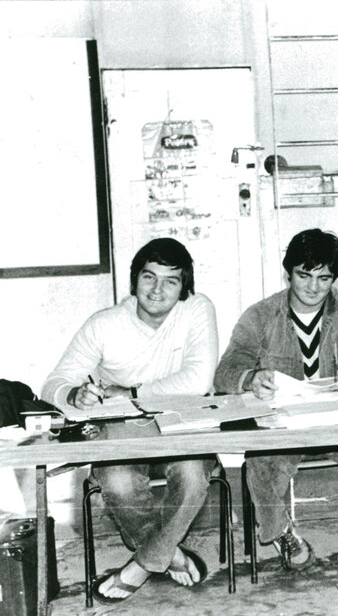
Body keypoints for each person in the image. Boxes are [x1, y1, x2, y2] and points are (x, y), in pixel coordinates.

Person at [41, 238, 219, 603]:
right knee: (118, 479)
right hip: (122, 427)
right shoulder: (105, 324)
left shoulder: (197, 309)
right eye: (149, 277)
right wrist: (74, 395)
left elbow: (198, 381)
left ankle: (141, 565)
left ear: (184, 286)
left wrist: (132, 392)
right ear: (134, 280)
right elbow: (52, 384)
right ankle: (169, 553)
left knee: (192, 474)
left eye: (170, 281)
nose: (157, 290)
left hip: (181, 421)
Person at [214, 229, 338, 571]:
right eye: (304, 276)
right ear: (288, 273)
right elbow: (224, 373)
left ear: (334, 278)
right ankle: (281, 532)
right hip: (284, 427)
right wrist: (251, 379)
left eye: (323, 278)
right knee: (260, 462)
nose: (313, 287)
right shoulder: (261, 315)